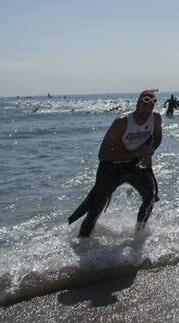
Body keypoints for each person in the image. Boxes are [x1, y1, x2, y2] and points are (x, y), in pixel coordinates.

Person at [67, 90, 162, 237]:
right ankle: (83, 243)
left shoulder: (155, 118)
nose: (148, 109)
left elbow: (157, 137)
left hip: (136, 165)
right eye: (145, 103)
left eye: (152, 105)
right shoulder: (122, 122)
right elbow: (103, 154)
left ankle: (138, 235)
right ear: (137, 103)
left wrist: (150, 150)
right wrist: (135, 153)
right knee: (95, 209)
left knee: (150, 197)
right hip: (112, 166)